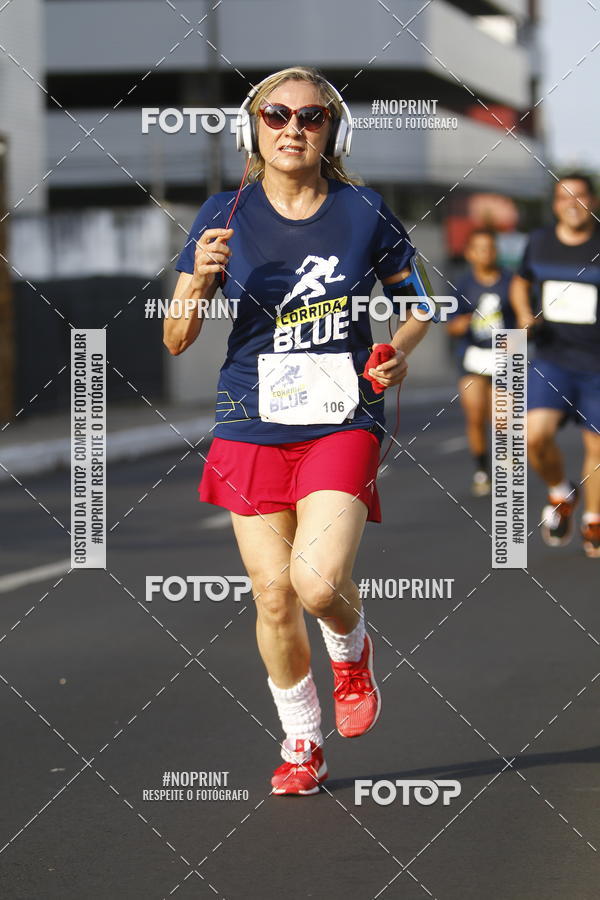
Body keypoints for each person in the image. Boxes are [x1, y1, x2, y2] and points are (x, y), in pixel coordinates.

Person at [164, 66, 431, 795]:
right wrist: (194, 282)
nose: (292, 129)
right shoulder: (223, 212)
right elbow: (177, 339)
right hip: (251, 419)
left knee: (316, 585)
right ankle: (301, 742)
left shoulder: (364, 210)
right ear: (255, 127)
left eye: (310, 118)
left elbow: (418, 306)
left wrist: (394, 355)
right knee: (273, 596)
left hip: (342, 415)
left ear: (329, 131)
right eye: (276, 115)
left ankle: (351, 651)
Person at [510, 173, 600, 557]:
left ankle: (593, 519)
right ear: (554, 204)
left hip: (597, 364)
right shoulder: (540, 241)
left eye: (579, 196)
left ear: (592, 201)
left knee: (595, 446)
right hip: (552, 359)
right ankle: (561, 491)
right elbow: (519, 282)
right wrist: (524, 313)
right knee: (534, 436)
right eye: (564, 196)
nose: (572, 202)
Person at [446, 228, 515, 496]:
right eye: (480, 248)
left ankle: (505, 458)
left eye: (491, 248)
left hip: (504, 358)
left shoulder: (511, 282)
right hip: (473, 356)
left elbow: (526, 315)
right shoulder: (462, 285)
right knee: (474, 413)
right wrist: (460, 324)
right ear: (470, 254)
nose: (486, 253)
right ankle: (482, 468)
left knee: (501, 419)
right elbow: (449, 325)